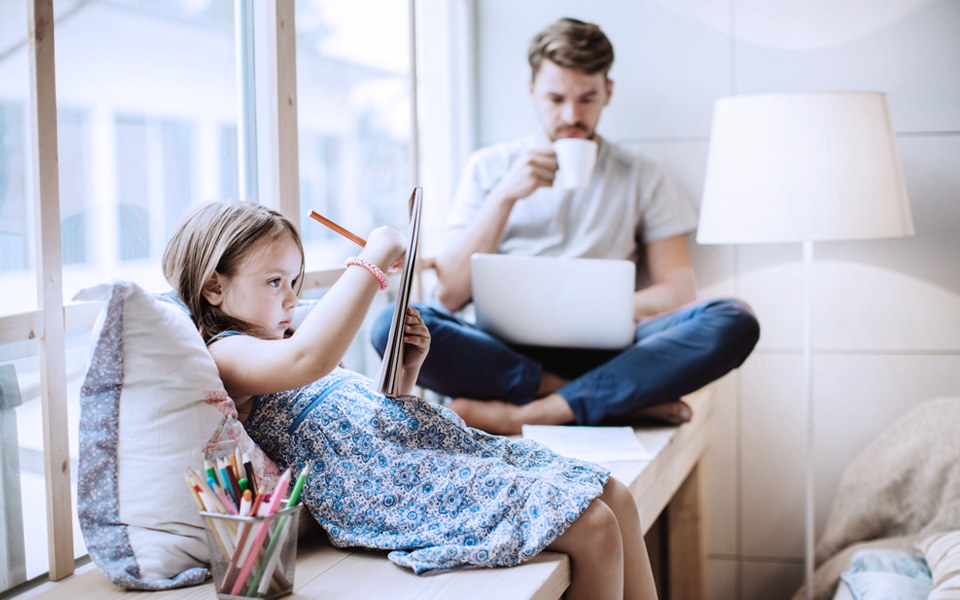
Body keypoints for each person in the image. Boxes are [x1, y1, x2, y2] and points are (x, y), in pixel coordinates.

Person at [162, 200, 658, 600]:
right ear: (214, 287)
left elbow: (365, 413)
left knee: (615, 494)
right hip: (386, 484)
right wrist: (371, 259)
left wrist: (403, 373)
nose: (292, 299)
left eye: (294, 281)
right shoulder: (227, 351)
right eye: (275, 283)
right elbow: (306, 361)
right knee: (593, 525)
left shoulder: (281, 335)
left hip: (419, 451)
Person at [373, 17, 760, 435]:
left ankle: (532, 413)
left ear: (608, 92)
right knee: (391, 326)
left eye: (587, 98)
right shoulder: (491, 169)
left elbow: (679, 291)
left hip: (609, 350)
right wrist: (505, 196)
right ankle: (598, 400)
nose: (571, 115)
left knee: (733, 319)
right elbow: (450, 293)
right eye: (556, 98)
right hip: (503, 351)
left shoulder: (644, 175)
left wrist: (597, 313)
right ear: (531, 91)